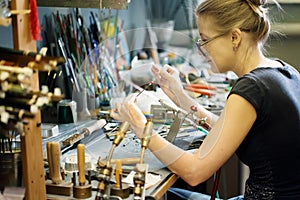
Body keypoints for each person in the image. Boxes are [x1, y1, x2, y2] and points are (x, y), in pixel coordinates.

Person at [110, 0, 300, 199]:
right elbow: (229, 130)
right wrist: (181, 98)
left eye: (204, 40)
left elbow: (194, 172)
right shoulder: (283, 71)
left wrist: (141, 128)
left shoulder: (251, 88)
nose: (201, 50)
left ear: (234, 37)